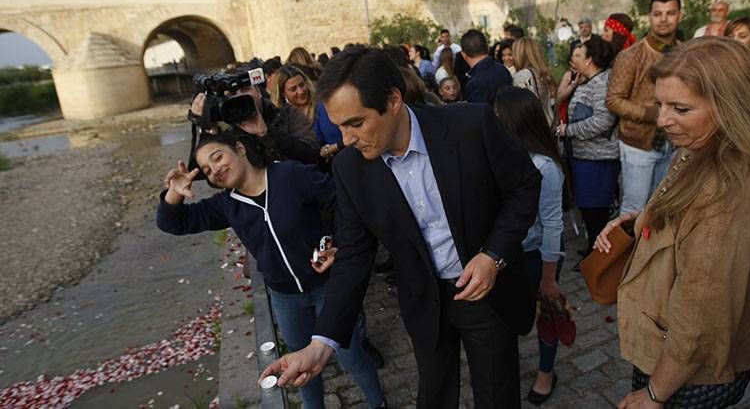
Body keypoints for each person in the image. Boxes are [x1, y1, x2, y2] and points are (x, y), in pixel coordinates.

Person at [262, 47, 542, 408]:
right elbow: (353, 256)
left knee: (498, 396)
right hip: (423, 299)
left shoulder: (472, 125)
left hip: (485, 293)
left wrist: (493, 255)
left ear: (393, 100)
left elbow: (524, 187)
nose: (346, 140)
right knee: (435, 396)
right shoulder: (350, 168)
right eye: (339, 126)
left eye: (356, 123)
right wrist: (321, 345)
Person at [595, 38, 750, 408]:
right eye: (660, 104)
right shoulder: (709, 146)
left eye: (680, 108)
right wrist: (637, 223)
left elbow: (700, 319)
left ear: (731, 107)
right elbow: (684, 218)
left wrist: (654, 394)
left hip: (686, 375)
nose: (663, 120)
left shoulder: (727, 197)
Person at [157, 130, 386, 409]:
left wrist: (335, 243)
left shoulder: (290, 176)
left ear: (240, 148)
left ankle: (378, 403)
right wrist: (173, 192)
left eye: (217, 157)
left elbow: (341, 204)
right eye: (207, 169)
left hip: (328, 286)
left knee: (350, 354)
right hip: (285, 298)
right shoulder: (228, 205)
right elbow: (173, 223)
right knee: (298, 366)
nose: (214, 170)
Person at [494, 86, 566, 406]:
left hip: (536, 254)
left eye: (497, 115)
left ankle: (546, 372)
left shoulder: (544, 166)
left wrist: (549, 278)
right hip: (506, 253)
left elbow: (552, 223)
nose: (491, 121)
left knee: (546, 313)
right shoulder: (500, 154)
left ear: (513, 120)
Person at [607, 0, 682, 215]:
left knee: (663, 207)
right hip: (638, 144)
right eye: (657, 13)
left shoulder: (686, 52)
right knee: (634, 209)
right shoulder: (631, 56)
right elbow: (613, 100)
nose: (664, 19)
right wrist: (652, 114)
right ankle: (628, 252)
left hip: (675, 142)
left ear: (680, 15)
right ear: (649, 17)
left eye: (670, 13)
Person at [556, 36, 619, 262]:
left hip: (597, 159)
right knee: (589, 210)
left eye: (579, 55)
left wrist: (568, 130)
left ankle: (599, 259)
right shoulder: (588, 80)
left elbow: (603, 122)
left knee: (596, 212)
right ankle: (593, 249)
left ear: (590, 59)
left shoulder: (602, 82)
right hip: (585, 158)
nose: (574, 59)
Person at [190, 62, 319, 165]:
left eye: (245, 89)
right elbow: (211, 177)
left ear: (257, 91)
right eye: (232, 94)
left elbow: (312, 154)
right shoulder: (227, 128)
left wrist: (267, 133)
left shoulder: (287, 114)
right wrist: (206, 128)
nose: (240, 97)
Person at [511, 37, 557, 125]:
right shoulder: (543, 73)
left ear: (519, 54)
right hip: (549, 123)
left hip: (533, 128)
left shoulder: (522, 76)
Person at [461, 29, 512, 104]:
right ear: (487, 48)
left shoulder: (475, 83)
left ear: (464, 55)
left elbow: (477, 113)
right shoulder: (503, 69)